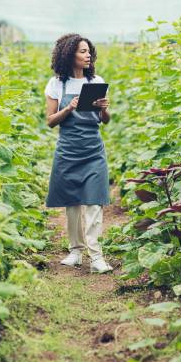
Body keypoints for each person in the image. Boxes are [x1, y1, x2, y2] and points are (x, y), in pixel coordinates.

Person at [44, 33, 114, 274]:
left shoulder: (96, 81)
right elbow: (50, 121)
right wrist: (68, 108)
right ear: (69, 55)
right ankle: (75, 251)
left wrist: (104, 109)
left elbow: (104, 121)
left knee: (94, 201)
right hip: (68, 149)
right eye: (82, 51)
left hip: (93, 149)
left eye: (88, 51)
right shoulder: (56, 84)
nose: (88, 55)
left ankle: (96, 256)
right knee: (71, 202)